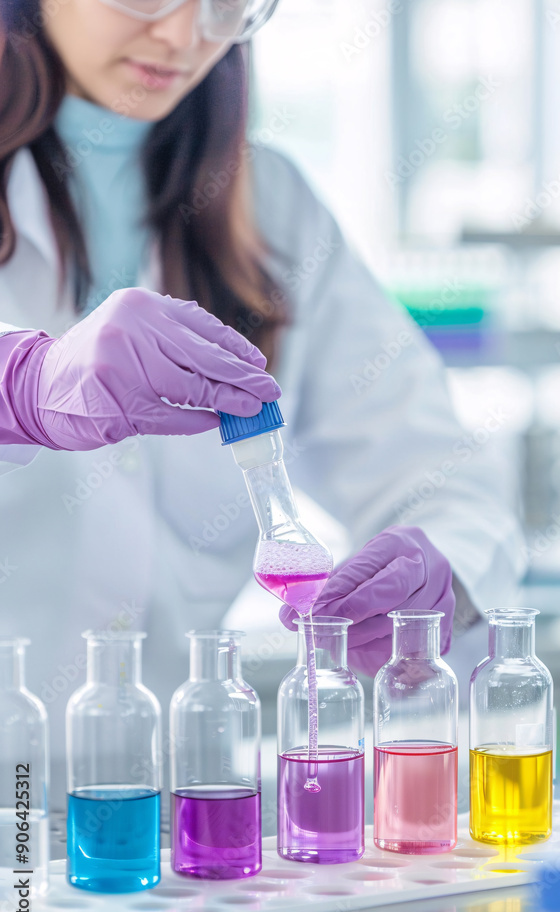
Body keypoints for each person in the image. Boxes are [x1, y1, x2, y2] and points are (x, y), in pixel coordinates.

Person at [0, 0, 523, 769]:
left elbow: (436, 469)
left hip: (177, 809)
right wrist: (22, 388)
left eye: (227, 5)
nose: (184, 36)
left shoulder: (271, 210)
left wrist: (442, 565)